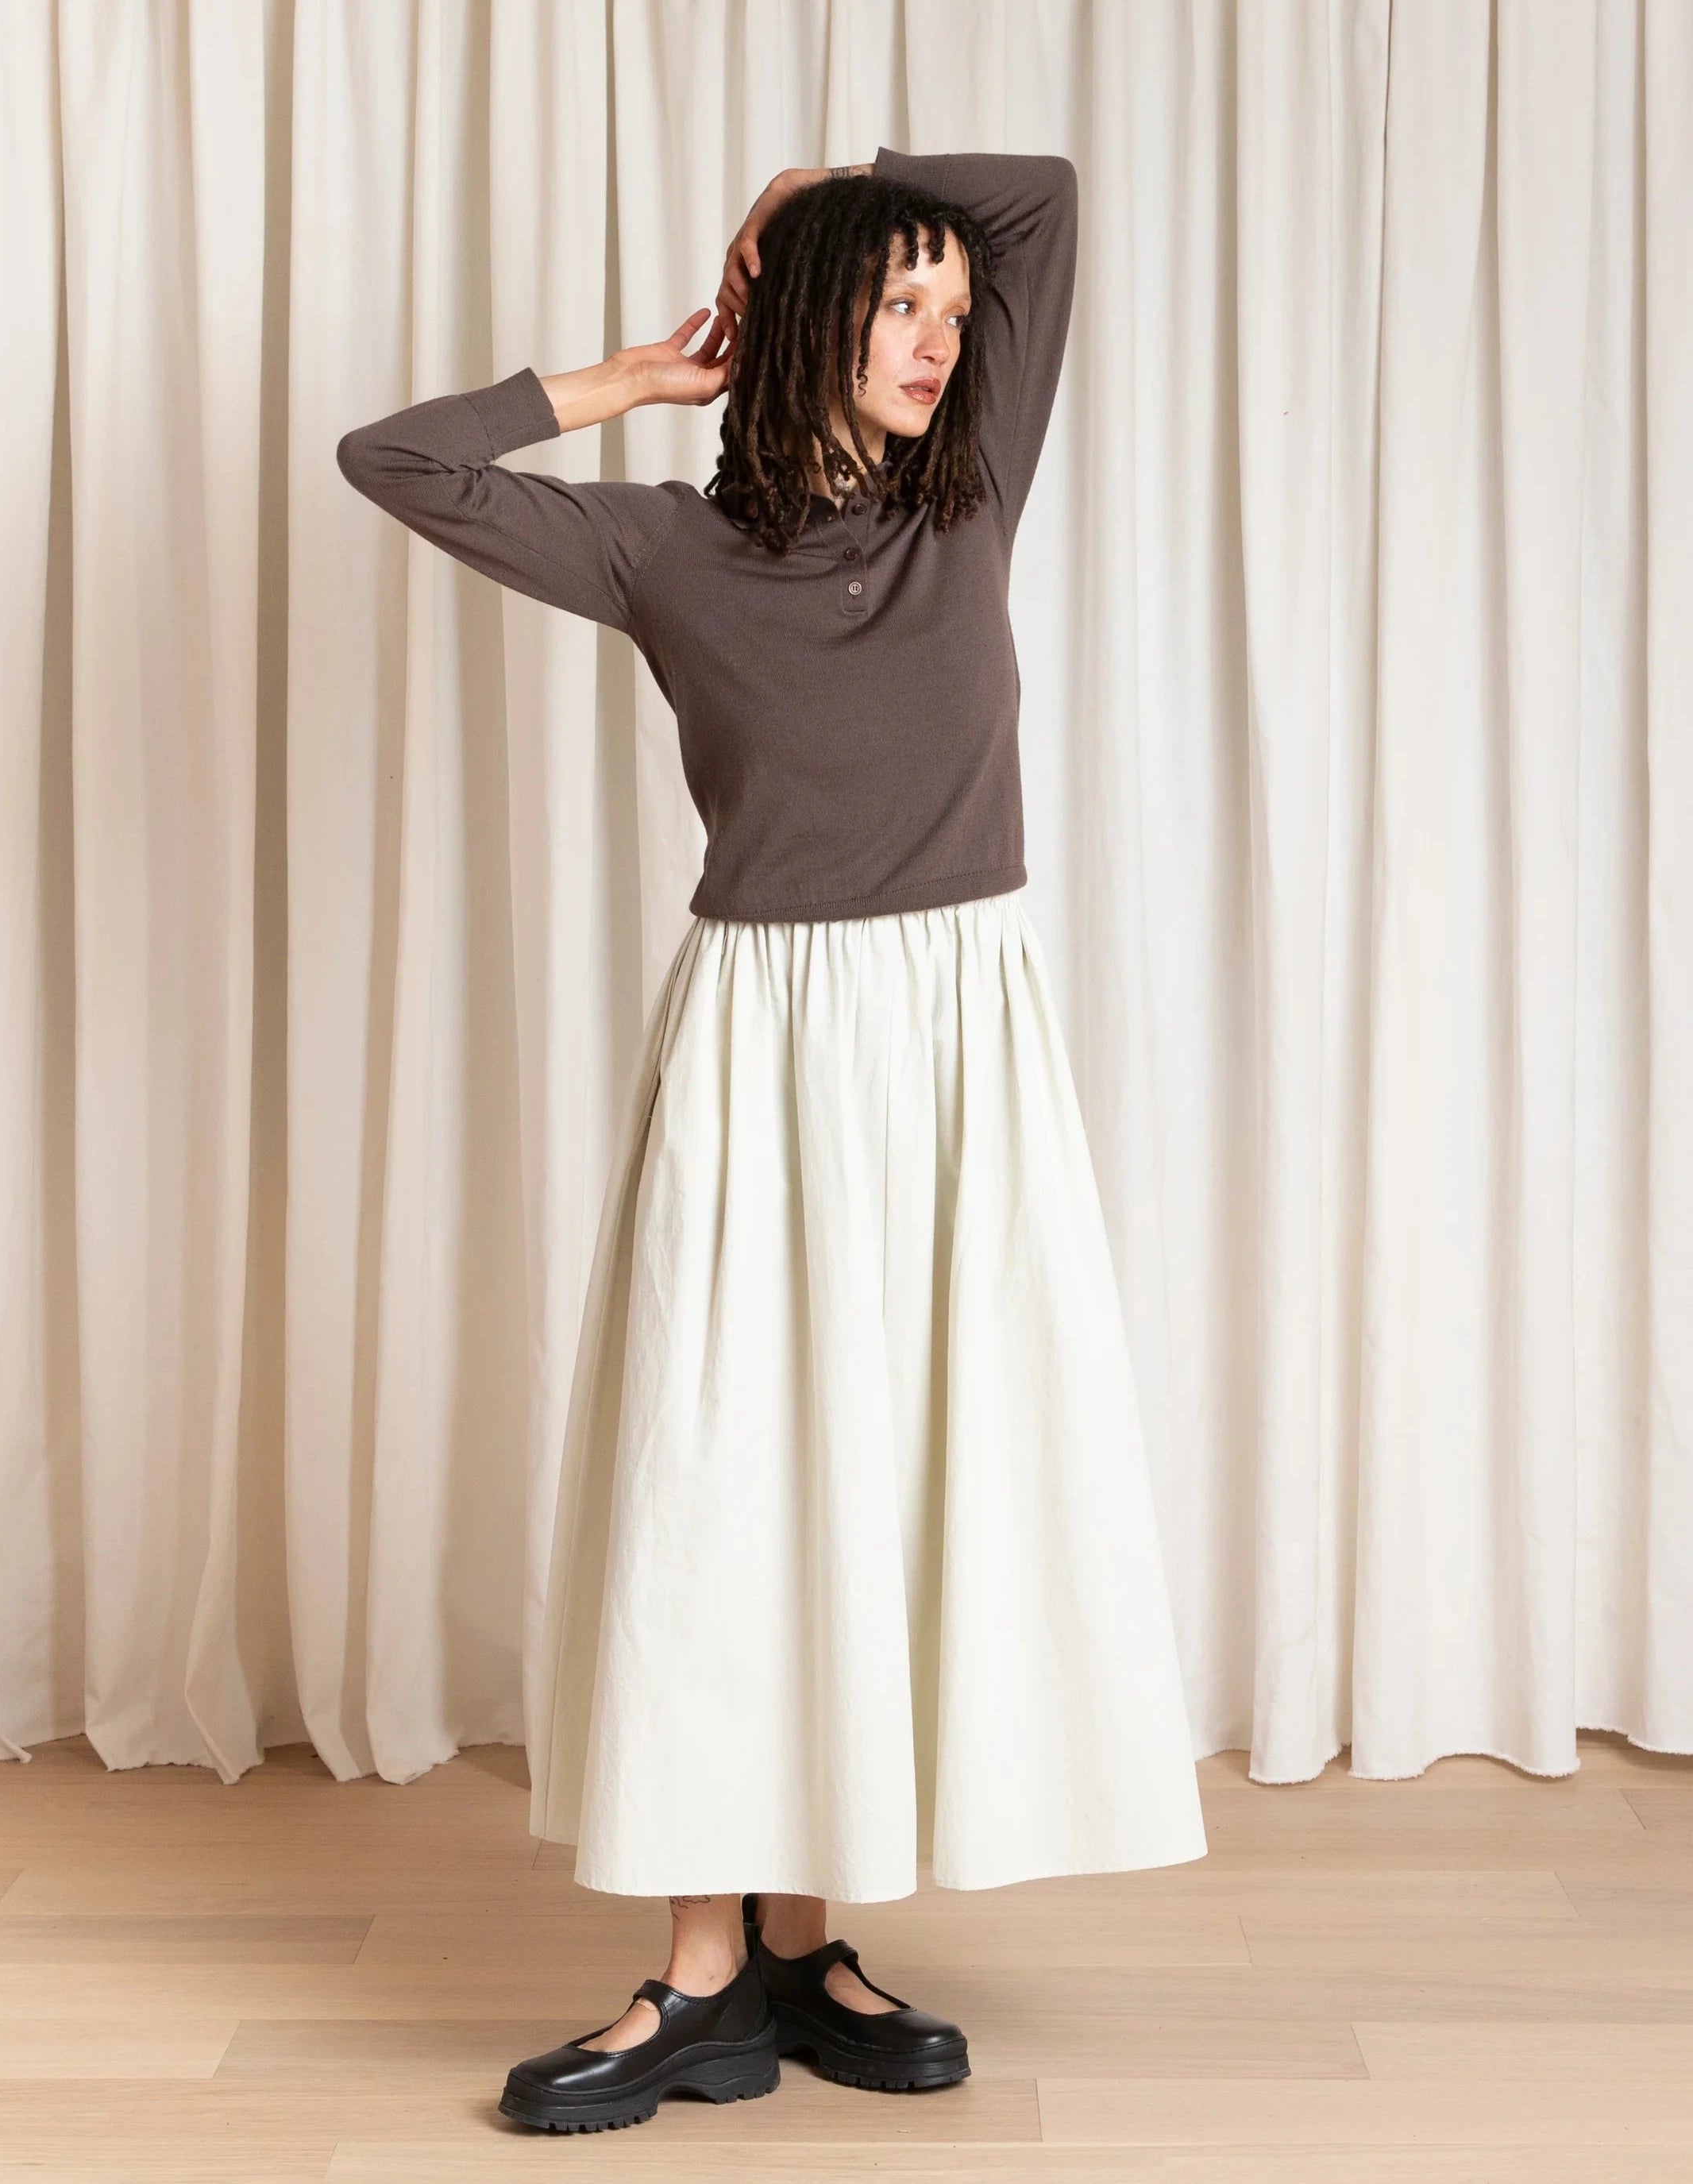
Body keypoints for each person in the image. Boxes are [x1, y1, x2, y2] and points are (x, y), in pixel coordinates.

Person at [336, 146, 1207, 2139]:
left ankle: (798, 1945)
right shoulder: (662, 548)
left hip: (963, 1043)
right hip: (764, 1046)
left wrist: (843, 178)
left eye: (944, 308)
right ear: (810, 316)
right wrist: (633, 379)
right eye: (895, 301)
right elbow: (394, 458)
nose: (941, 332)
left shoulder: (964, 490)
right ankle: (700, 1967)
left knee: (885, 1479)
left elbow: (1046, 204)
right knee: (722, 1480)